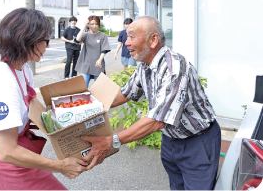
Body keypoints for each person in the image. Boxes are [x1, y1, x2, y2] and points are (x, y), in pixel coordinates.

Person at [80, 16, 221, 191]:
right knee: (177, 187)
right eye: (126, 37)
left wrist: (111, 141)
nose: (126, 42)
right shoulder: (144, 65)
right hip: (170, 140)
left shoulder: (174, 68)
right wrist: (85, 107)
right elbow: (125, 94)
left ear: (153, 40)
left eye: (131, 36)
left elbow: (157, 120)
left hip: (197, 141)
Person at [0, 8, 87, 191]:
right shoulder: (4, 82)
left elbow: (32, 104)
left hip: (21, 154)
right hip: (6, 166)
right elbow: (7, 151)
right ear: (27, 41)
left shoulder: (21, 67)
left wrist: (66, 123)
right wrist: (61, 166)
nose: (47, 47)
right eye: (45, 41)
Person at [74, 15, 111, 88]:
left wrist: (100, 60)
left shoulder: (102, 36)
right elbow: (77, 40)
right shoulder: (86, 35)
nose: (94, 26)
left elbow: (104, 49)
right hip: (86, 64)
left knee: (98, 88)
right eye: (92, 24)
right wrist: (84, 26)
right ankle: (84, 99)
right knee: (83, 87)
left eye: (96, 24)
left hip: (98, 65)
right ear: (89, 25)